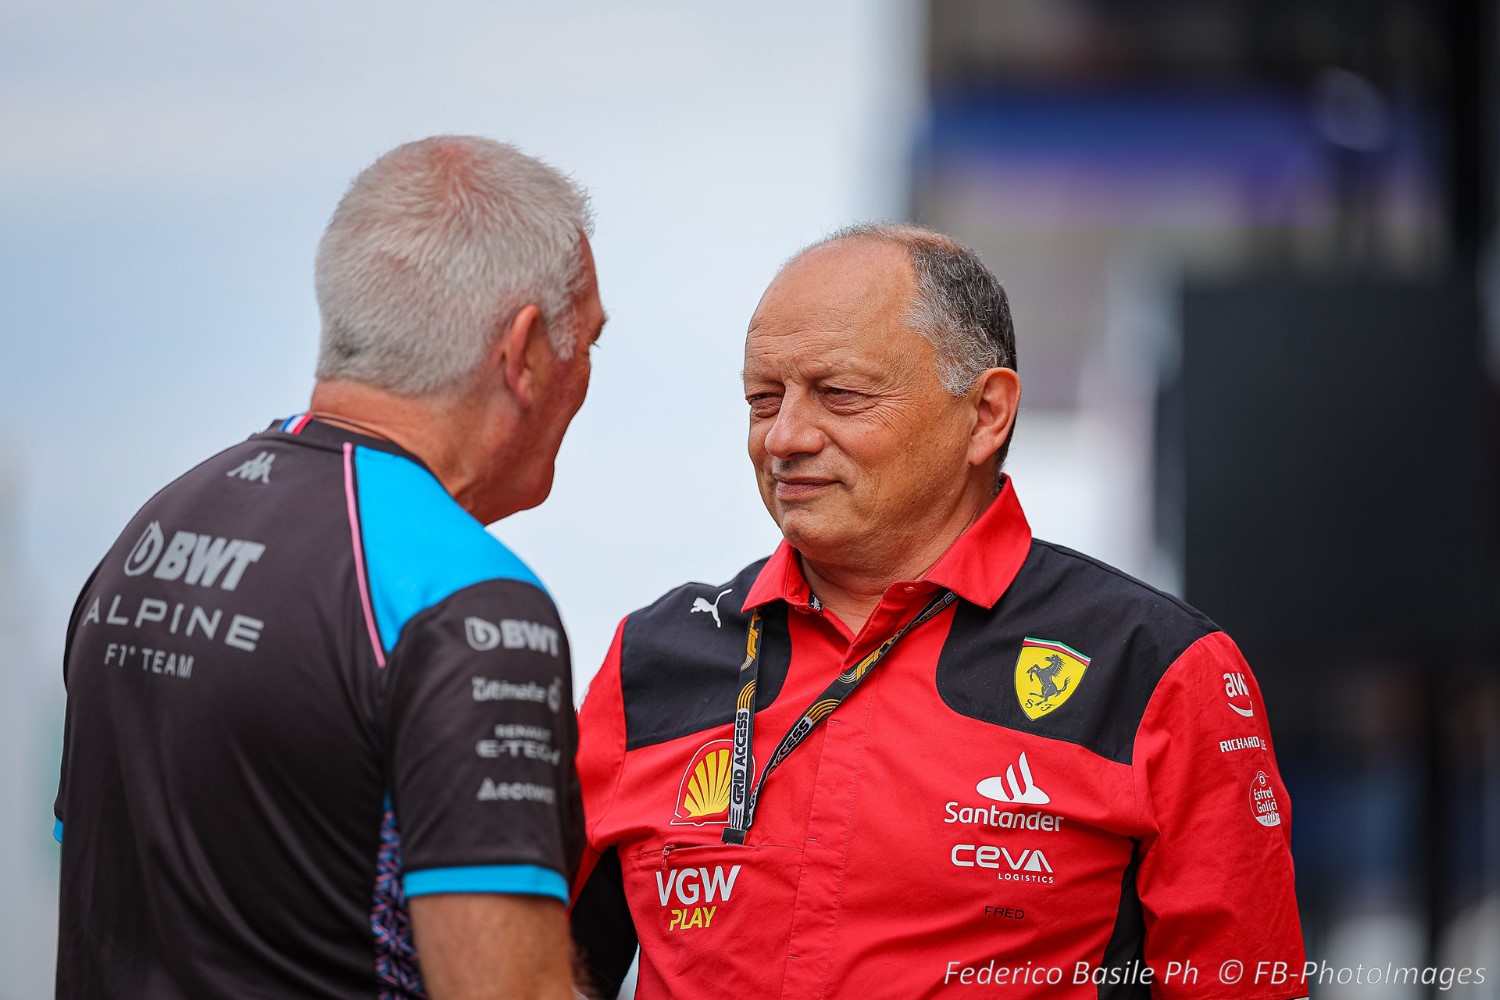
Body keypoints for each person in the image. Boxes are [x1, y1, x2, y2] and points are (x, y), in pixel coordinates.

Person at [570, 225, 1305, 999]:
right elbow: (532, 968)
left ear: (987, 413)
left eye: (840, 394)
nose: (784, 437)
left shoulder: (1155, 668)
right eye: (763, 400)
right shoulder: (652, 659)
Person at [53, 135, 605, 1000]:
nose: (586, 380)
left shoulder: (146, 539)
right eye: (590, 345)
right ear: (525, 353)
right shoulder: (464, 602)